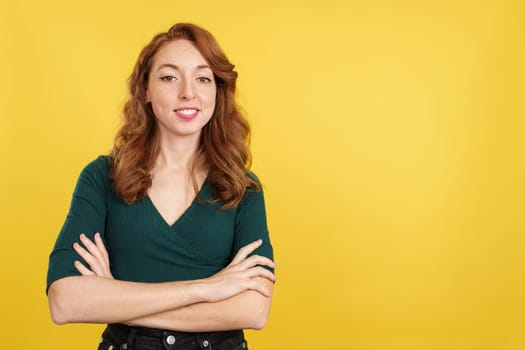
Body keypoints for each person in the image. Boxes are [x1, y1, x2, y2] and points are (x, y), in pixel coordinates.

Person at [46, 23, 276, 350]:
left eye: (203, 78)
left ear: (217, 91)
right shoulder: (101, 177)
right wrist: (205, 289)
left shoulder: (243, 188)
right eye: (169, 77)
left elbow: (253, 310)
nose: (188, 93)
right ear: (145, 90)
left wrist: (116, 297)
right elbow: (65, 301)